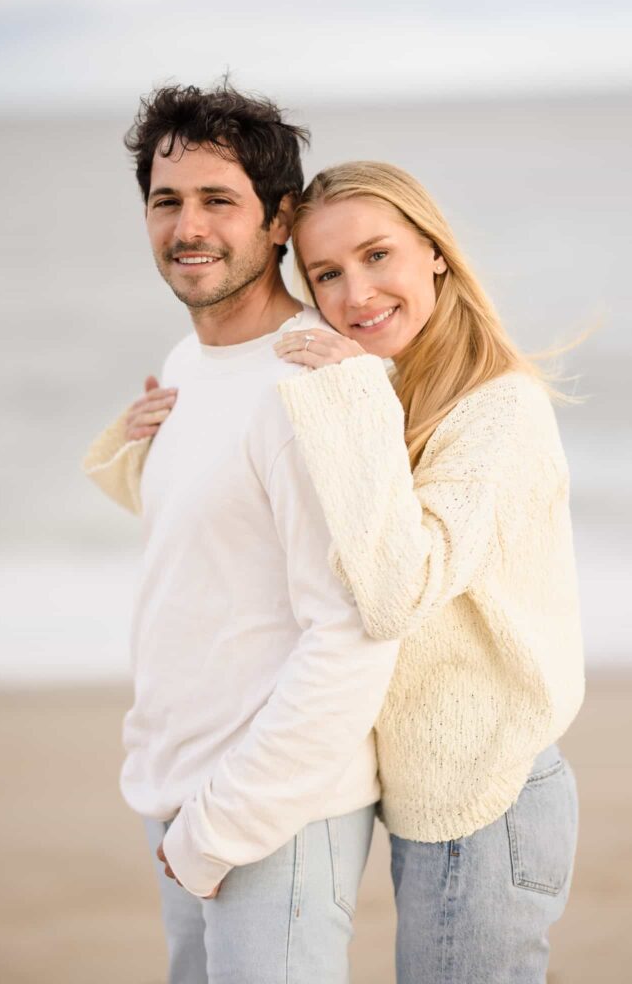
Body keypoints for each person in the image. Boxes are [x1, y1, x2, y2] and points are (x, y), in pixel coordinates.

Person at [131, 160, 585, 983]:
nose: (354, 294)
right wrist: (148, 437)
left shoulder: (495, 410)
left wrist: (345, 393)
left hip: (487, 790)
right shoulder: (397, 382)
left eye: (379, 256)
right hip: (414, 785)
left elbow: (392, 594)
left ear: (435, 253)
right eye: (326, 275)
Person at [83, 89, 399, 984]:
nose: (189, 227)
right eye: (166, 200)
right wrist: (132, 447)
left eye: (219, 200)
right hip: (181, 791)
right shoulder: (190, 361)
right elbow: (208, 544)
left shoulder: (313, 383)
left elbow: (353, 633)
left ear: (278, 221)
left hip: (273, 815)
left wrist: (221, 827)